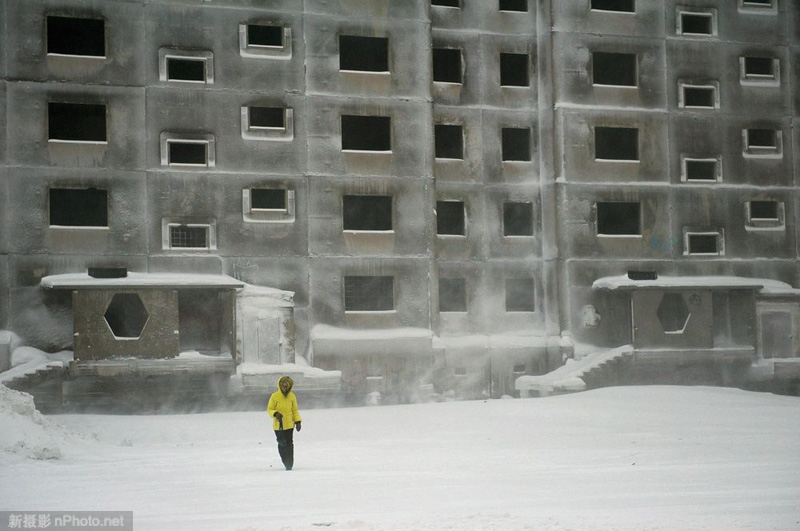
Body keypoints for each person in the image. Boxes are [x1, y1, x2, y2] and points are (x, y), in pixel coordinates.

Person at [267, 376, 302, 470]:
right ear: (280, 385)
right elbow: (269, 409)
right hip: (279, 426)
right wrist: (275, 413)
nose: (285, 387)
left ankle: (289, 464)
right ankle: (285, 460)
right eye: (283, 385)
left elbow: (295, 410)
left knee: (289, 443)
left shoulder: (292, 396)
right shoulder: (274, 396)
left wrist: (298, 421)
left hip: (290, 425)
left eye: (287, 385)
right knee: (282, 444)